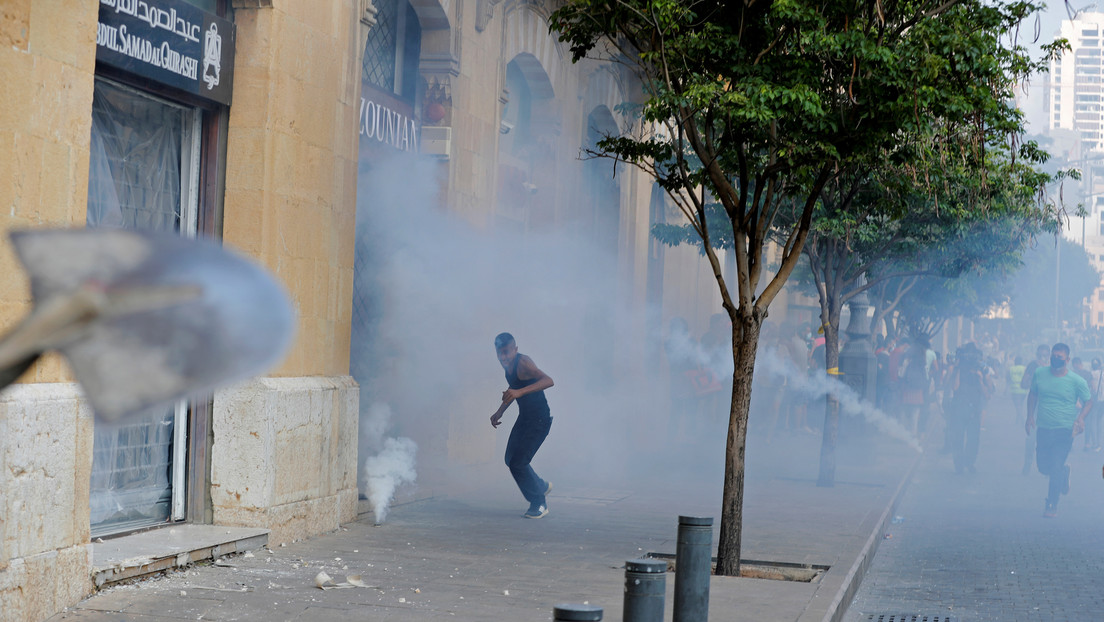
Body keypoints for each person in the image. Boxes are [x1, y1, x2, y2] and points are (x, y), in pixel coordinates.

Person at [490, 333, 554, 519]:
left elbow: (548, 381)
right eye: (499, 353)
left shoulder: (523, 362)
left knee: (519, 462)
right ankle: (540, 485)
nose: (503, 357)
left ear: (515, 350)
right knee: (510, 459)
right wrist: (499, 411)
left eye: (506, 352)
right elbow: (513, 392)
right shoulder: (508, 368)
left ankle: (539, 502)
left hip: (539, 420)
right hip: (525, 418)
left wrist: (519, 392)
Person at [1026, 343, 1093, 518]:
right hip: (1044, 428)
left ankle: (1051, 504)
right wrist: (1029, 416)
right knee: (1043, 467)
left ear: (1067, 360)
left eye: (1060, 357)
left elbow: (1088, 401)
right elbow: (1033, 394)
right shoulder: (1040, 373)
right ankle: (1064, 472)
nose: (1056, 359)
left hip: (1065, 430)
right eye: (1053, 356)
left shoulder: (1076, 381)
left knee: (1054, 467)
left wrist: (1081, 418)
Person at [946, 342, 992, 473]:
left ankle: (969, 462)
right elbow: (954, 387)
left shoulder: (981, 370)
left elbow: (987, 395)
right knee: (958, 438)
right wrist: (959, 369)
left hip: (974, 409)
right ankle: (959, 465)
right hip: (959, 409)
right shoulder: (959, 369)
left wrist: (980, 379)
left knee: (973, 440)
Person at [1020, 344, 1050, 475]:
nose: (1042, 358)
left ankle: (1047, 468)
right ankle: (1027, 464)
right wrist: (1030, 378)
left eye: (1045, 355)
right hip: (1034, 406)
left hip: (1050, 408)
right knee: (1031, 437)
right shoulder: (1032, 365)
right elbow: (1023, 384)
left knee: (1048, 438)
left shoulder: (1054, 367)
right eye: (1040, 355)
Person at [1007, 356, 1028, 424]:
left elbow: (1008, 378)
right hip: (1023, 390)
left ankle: (1021, 418)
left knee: (1017, 405)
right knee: (1020, 404)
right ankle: (1018, 418)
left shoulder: (1011, 369)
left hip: (1014, 389)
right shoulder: (1025, 368)